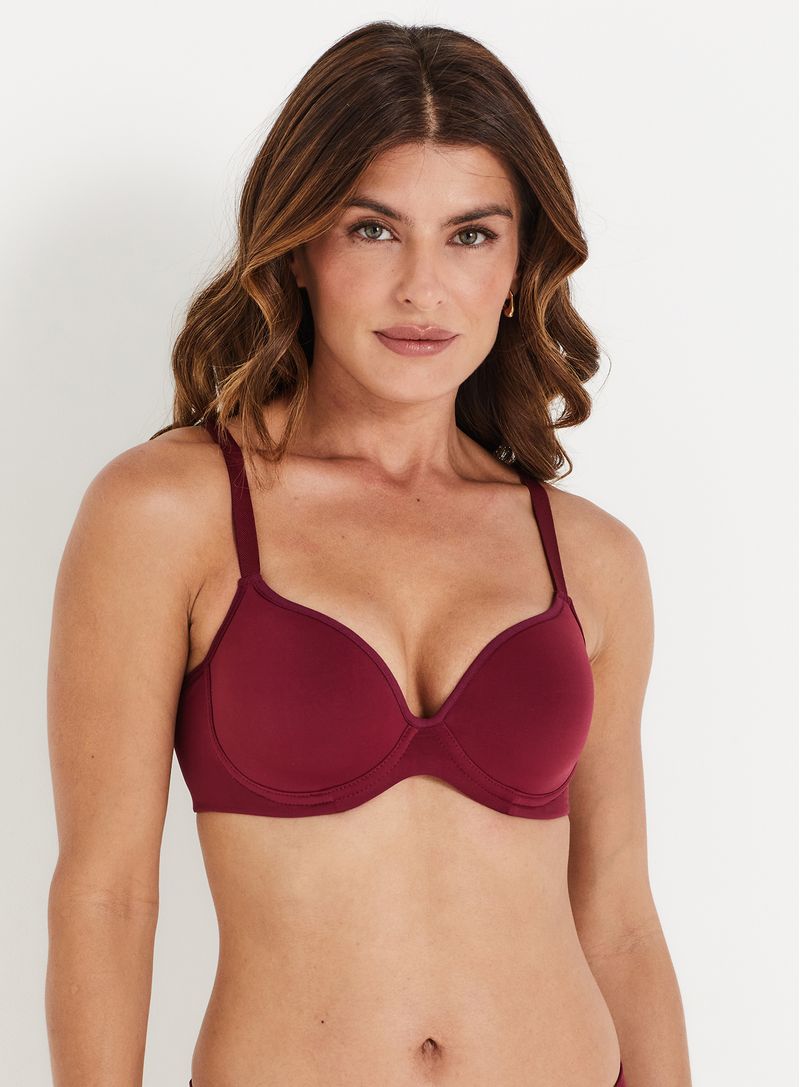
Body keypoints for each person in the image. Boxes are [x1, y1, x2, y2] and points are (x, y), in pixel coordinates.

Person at [45, 20, 693, 1087]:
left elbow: (617, 918)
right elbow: (106, 895)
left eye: (470, 235)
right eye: (374, 229)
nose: (422, 289)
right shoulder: (169, 511)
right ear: (300, 248)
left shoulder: (588, 557)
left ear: (519, 263)